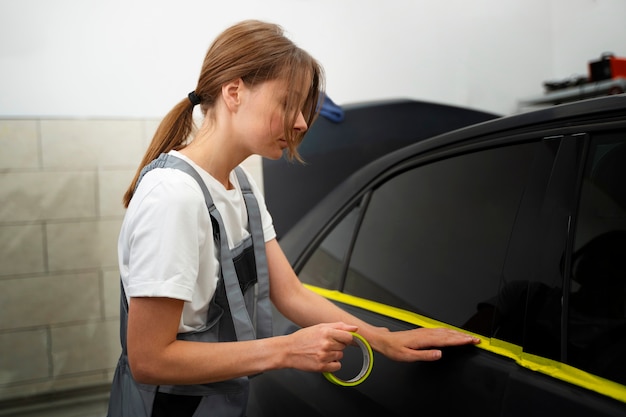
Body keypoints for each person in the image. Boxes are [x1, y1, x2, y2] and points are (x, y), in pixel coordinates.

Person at [107, 19, 480, 417]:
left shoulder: (241, 186)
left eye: (304, 109)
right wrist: (286, 349)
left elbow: (290, 293)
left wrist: (383, 340)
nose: (301, 122)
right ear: (234, 92)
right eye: (288, 104)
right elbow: (150, 360)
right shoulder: (174, 197)